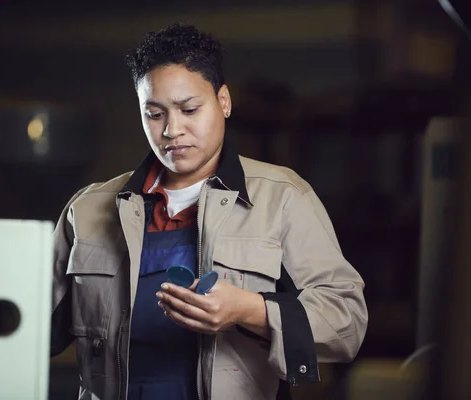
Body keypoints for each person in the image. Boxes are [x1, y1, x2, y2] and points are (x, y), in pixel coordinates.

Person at [50, 22, 368, 400]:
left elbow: (346, 322)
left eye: (189, 109)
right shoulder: (87, 210)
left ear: (224, 102)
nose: (172, 130)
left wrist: (249, 310)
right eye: (154, 114)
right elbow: (30, 327)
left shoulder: (282, 198)